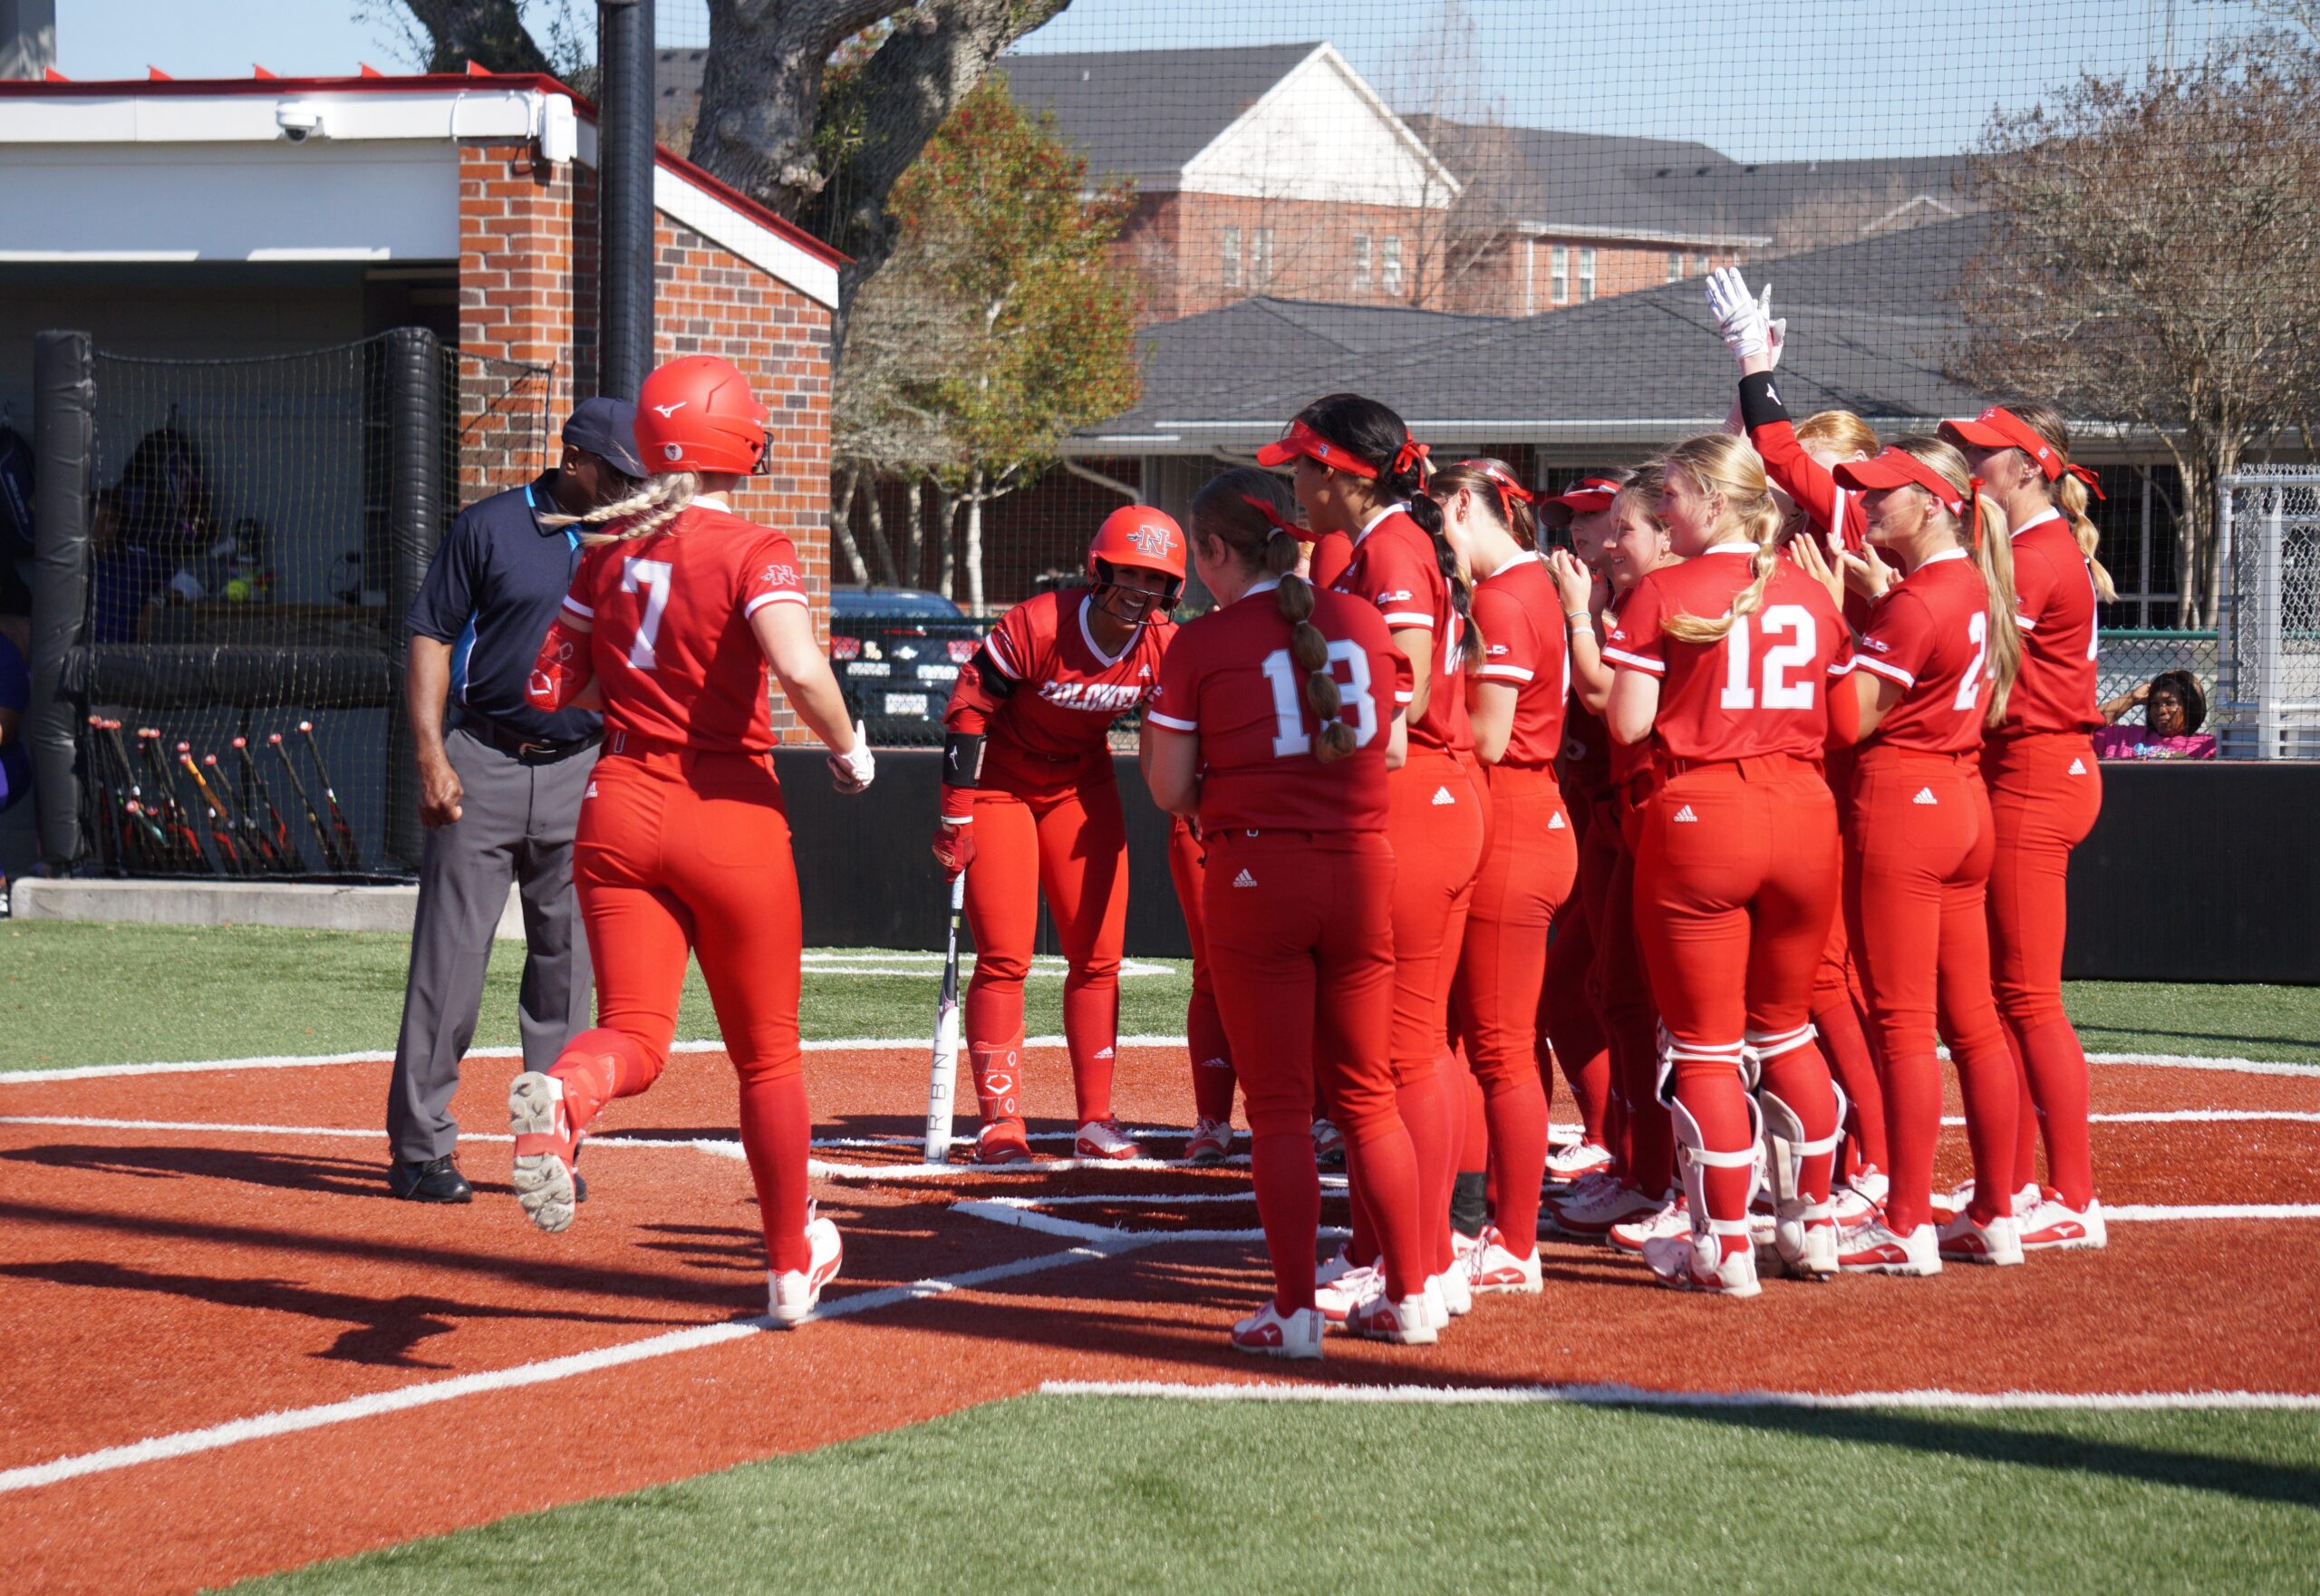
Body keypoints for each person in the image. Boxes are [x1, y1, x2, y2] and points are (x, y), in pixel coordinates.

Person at [518, 354, 874, 1327]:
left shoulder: (605, 552)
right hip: (727, 809)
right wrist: (851, 749)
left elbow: (552, 689)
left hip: (619, 798)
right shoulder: (757, 547)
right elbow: (800, 672)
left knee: (632, 1034)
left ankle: (567, 1094)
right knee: (767, 1059)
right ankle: (788, 1264)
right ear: (737, 440)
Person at [1144, 468, 1436, 1351]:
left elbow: (1167, 790)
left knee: (1276, 1109)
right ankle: (1411, 1295)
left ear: (1214, 551)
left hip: (1254, 874)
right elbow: (1388, 745)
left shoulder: (1201, 644)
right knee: (1369, 1097)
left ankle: (1298, 1310)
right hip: (1359, 867)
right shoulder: (1360, 620)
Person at [1603, 433, 1851, 1298]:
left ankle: (1726, 1244)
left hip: (1704, 813)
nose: (1664, 513)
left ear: (1715, 498)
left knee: (1707, 1050)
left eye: (1672, 495)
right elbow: (1846, 715)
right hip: (1805, 814)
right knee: (1787, 1031)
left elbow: (1629, 724)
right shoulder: (1812, 593)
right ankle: (1814, 1223)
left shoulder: (1665, 588)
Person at [382, 398, 643, 1203]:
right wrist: (429, 753)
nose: (633, 488)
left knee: (568, 970)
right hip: (484, 759)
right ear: (575, 462)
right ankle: (421, 1149)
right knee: (450, 964)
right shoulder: (488, 527)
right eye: (619, 473)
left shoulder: (631, 540)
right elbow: (429, 632)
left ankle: (551, 1144)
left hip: (580, 767)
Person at [1262, 395, 1484, 1329]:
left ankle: (1410, 1260)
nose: (1293, 484)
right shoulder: (1379, 540)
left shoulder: (1389, 546)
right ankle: (1414, 1256)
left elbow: (1405, 687)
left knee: (1396, 1057)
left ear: (1339, 474)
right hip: (1429, 795)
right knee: (1411, 1053)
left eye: (1301, 469)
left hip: (1414, 796)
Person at [1793, 440, 2026, 1273]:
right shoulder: (1962, 584)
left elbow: (1846, 720)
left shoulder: (1918, 602)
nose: (1865, 505)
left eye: (1884, 493)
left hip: (1907, 801)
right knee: (1973, 1021)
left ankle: (1904, 1220)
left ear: (1931, 502)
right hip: (1962, 797)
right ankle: (1996, 1211)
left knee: (1903, 1022)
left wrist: (1828, 615)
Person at [1706, 266, 1891, 1219]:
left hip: (1852, 767)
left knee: (1838, 984)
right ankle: (1861, 1160)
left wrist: (1754, 369)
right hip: (1835, 769)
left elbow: (1764, 460)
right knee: (1830, 982)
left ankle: (1869, 1164)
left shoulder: (1851, 525)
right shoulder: (1852, 541)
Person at [932, 506, 1184, 1165]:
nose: (1141, 590)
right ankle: (1000, 1119)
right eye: (1130, 572)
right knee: (1006, 954)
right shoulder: (1038, 622)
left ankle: (1095, 1118)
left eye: (1156, 579)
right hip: (1001, 786)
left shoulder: (1163, 643)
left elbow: (1176, 739)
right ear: (1099, 567)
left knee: (1099, 955)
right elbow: (967, 709)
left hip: (1083, 785)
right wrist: (955, 813)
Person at [1938, 401, 2113, 1250]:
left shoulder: (2036, 555)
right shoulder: (2034, 547)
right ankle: (2012, 1180)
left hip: (2037, 772)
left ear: (2029, 468)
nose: (1973, 467)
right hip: (2034, 767)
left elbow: (1973, 665)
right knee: (2011, 997)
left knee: (2026, 995)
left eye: (1985, 455)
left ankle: (2072, 1196)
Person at [1432, 459, 1574, 1292]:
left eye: (1442, 520)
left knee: (1498, 1046)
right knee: (1485, 1041)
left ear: (1463, 504)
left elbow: (1486, 737)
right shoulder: (1525, 588)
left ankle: (1514, 1237)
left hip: (1513, 815)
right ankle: (1481, 1216)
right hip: (1523, 812)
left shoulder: (1506, 595)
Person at [1551, 470, 1691, 1248]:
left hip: (1664, 810)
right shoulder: (1623, 595)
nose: (1593, 538)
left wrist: (1578, 617)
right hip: (1616, 813)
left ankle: (1675, 1180)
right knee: (1615, 995)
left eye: (1611, 524)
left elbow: (1610, 701)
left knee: (1686, 1018)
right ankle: (1637, 1161)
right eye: (1574, 522)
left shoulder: (1656, 594)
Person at [2095, 669, 2215, 759]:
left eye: (2170, 703)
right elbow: (2087, 725)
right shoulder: (2126, 736)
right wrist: (2132, 698)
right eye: (2154, 704)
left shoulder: (2206, 745)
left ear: (2190, 705)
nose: (2161, 710)